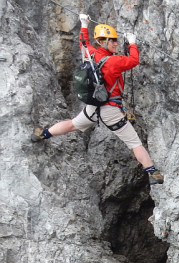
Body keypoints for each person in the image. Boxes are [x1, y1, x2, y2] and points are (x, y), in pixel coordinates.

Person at [31, 14, 164, 185]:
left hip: (93, 106)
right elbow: (133, 60)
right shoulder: (114, 62)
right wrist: (132, 42)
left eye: (116, 40)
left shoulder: (91, 54)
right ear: (102, 42)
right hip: (111, 110)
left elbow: (83, 43)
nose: (115, 43)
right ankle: (153, 174)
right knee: (134, 142)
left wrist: (84, 24)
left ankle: (43, 134)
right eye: (112, 41)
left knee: (73, 124)